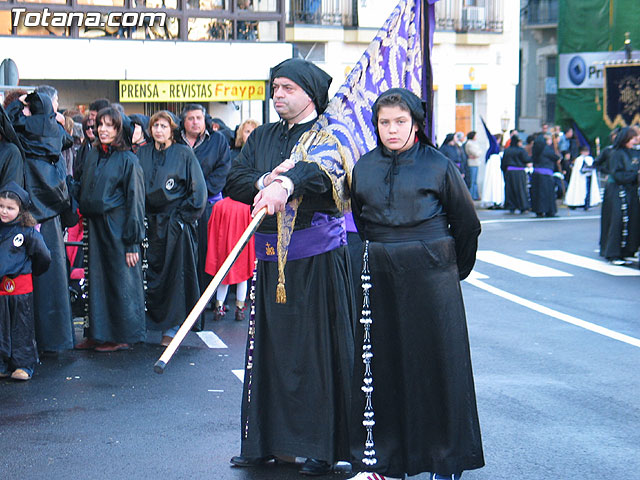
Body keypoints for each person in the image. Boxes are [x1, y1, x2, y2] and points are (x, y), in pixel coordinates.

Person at [224, 58, 355, 476]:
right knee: (270, 355)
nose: (278, 95)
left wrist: (287, 183)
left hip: (316, 262)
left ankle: (321, 446)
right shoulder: (261, 136)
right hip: (270, 265)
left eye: (287, 88)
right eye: (275, 87)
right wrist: (266, 182)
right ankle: (269, 442)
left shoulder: (329, 136)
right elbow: (235, 180)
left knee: (315, 355)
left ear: (310, 94)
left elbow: (322, 176)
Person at [348, 88, 484, 480]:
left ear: (416, 123)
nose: (391, 130)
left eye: (400, 122)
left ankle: (445, 459)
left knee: (439, 366)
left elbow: (467, 224)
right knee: (384, 366)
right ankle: (387, 460)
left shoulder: (439, 164)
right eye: (384, 122)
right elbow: (362, 218)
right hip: (381, 275)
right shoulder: (364, 166)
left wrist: (450, 270)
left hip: (433, 276)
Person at [72, 107, 146, 352]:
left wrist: (132, 242)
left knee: (119, 281)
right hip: (95, 227)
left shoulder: (129, 160)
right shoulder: (93, 155)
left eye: (109, 125)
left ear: (119, 130)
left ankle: (120, 335)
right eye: (100, 124)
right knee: (96, 280)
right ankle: (98, 332)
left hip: (118, 228)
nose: (102, 129)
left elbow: (135, 202)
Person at [6, 90, 75, 352]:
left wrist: (18, 107)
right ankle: (57, 339)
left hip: (26, 213)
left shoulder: (21, 133)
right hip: (51, 213)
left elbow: (8, 123)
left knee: (26, 282)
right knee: (53, 280)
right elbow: (67, 141)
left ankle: (27, 343)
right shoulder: (54, 132)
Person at [137, 111, 207, 346]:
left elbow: (198, 192)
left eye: (163, 126)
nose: (159, 130)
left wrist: (182, 218)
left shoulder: (184, 153)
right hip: (148, 223)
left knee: (174, 278)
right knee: (148, 277)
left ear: (172, 129)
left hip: (174, 223)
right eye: (155, 125)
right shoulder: (143, 152)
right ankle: (145, 324)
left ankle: (173, 326)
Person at [178, 104, 231, 301]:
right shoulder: (176, 140)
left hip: (207, 205)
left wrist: (199, 193)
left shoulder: (217, 140)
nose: (195, 122)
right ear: (183, 122)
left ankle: (204, 298)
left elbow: (222, 170)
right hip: (178, 204)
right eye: (190, 118)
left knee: (206, 252)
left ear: (204, 119)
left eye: (198, 118)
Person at [0, 182, 51, 381]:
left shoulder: (28, 233)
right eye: (1, 206)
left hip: (20, 287)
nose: (4, 211)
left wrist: (32, 272)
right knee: (1, 326)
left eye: (10, 208)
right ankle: (3, 362)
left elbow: (44, 256)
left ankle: (24, 364)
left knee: (21, 326)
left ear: (20, 210)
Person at [205, 195, 256, 322]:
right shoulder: (246, 207)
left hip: (223, 248)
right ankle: (239, 308)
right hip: (241, 249)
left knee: (223, 279)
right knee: (242, 279)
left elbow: (211, 227)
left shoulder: (219, 205)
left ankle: (219, 307)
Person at [599, 127, 640, 265]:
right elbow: (617, 174)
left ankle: (627, 250)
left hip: (631, 190)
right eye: (632, 138)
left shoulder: (633, 152)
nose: (635, 141)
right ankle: (613, 253)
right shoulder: (616, 153)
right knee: (617, 221)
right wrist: (635, 175)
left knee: (632, 220)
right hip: (617, 190)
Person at [530, 133, 560, 217]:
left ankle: (538, 211)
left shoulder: (535, 149)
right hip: (546, 175)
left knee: (538, 194)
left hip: (536, 174)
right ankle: (549, 211)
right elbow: (556, 157)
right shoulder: (546, 149)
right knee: (547, 194)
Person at [564, 145, 601, 211]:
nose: (586, 153)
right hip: (581, 178)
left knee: (588, 191)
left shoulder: (590, 159)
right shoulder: (579, 159)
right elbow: (578, 170)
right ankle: (578, 203)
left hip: (589, 177)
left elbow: (592, 167)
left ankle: (587, 204)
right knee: (580, 190)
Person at [501, 135, 531, 213]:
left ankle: (511, 206)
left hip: (510, 172)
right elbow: (526, 159)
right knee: (520, 189)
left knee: (510, 189)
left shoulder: (507, 150)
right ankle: (523, 206)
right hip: (519, 172)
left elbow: (503, 162)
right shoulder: (521, 150)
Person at [464, 131, 482, 200]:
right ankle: (471, 196)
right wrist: (478, 153)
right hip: (472, 163)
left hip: (475, 163)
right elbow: (476, 153)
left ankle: (475, 195)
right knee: (472, 180)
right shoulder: (469, 143)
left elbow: (479, 152)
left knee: (474, 181)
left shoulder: (474, 143)